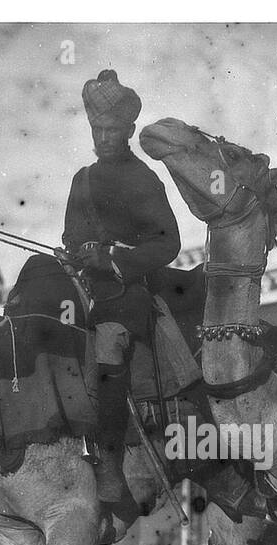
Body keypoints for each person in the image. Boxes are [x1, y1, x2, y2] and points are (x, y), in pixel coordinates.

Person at [61, 69, 181, 519]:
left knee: (109, 343)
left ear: (129, 130)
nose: (105, 137)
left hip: (127, 292)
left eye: (113, 129)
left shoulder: (143, 179)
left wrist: (111, 257)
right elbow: (72, 236)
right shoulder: (82, 179)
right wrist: (73, 254)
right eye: (98, 129)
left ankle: (109, 466)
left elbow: (167, 243)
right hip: (82, 289)